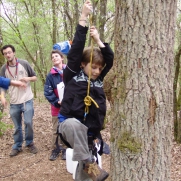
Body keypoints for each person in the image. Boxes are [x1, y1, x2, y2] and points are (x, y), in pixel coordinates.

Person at [58, 1, 114, 180]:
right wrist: (83, 18)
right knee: (74, 125)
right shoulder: (72, 76)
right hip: (69, 127)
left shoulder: (98, 81)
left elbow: (110, 59)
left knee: (86, 174)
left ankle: (88, 164)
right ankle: (89, 163)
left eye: (100, 68)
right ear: (83, 64)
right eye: (94, 67)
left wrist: (98, 40)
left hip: (90, 136)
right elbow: (75, 51)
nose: (97, 71)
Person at [0, 44, 38, 157]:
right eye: (5, 53)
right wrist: (2, 97)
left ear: (14, 52)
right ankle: (17, 145)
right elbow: (2, 85)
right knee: (17, 126)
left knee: (28, 122)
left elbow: (35, 77)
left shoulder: (24, 63)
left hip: (27, 99)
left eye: (9, 52)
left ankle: (30, 143)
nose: (8, 55)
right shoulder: (3, 68)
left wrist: (27, 78)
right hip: (14, 102)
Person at [44, 49, 67, 161]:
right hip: (56, 108)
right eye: (52, 57)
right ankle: (56, 149)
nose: (54, 58)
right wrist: (56, 101)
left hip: (69, 107)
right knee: (56, 128)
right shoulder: (50, 76)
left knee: (66, 127)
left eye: (56, 56)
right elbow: (47, 92)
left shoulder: (69, 71)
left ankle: (65, 149)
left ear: (62, 58)